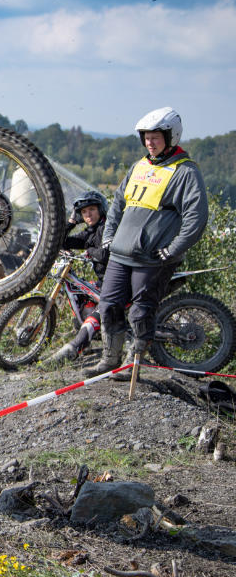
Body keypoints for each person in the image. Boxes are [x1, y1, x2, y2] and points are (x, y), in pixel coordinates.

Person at [83, 107, 209, 380]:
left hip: (153, 259)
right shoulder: (139, 166)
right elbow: (117, 204)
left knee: (140, 313)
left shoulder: (185, 172)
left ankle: (132, 366)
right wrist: (108, 237)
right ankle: (109, 359)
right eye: (146, 137)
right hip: (120, 255)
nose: (150, 142)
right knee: (108, 306)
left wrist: (174, 249)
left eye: (155, 137)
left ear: (170, 137)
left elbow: (196, 217)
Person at [43, 191, 110, 364]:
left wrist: (90, 252)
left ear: (101, 210)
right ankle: (94, 339)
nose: (88, 215)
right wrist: (72, 222)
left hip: (119, 285)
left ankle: (73, 349)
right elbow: (63, 240)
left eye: (92, 210)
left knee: (95, 315)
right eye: (84, 212)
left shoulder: (108, 228)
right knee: (81, 296)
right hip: (105, 283)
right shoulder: (90, 232)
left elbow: (105, 254)